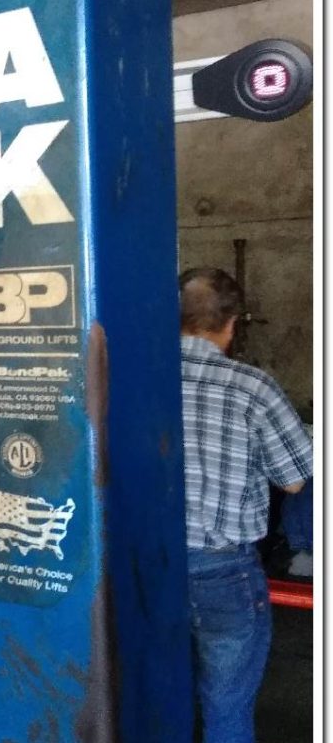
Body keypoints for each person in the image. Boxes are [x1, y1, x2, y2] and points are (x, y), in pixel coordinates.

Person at [178, 267, 313, 743]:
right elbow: (294, 481)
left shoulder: (133, 379)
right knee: (226, 707)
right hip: (224, 572)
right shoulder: (252, 387)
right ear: (232, 323)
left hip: (146, 565)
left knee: (156, 694)